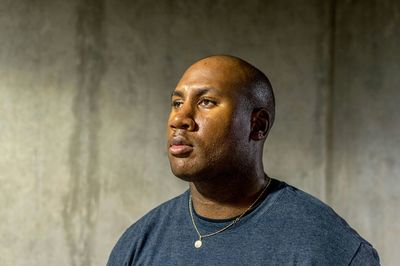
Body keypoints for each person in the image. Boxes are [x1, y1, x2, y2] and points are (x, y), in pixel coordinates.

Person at [107, 55, 380, 265]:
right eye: (177, 103)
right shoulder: (138, 244)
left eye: (206, 102)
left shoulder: (326, 246)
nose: (179, 119)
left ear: (257, 125)